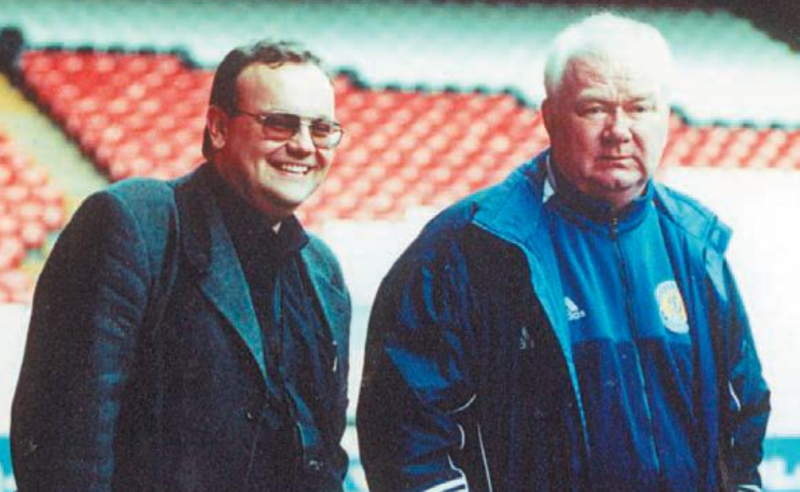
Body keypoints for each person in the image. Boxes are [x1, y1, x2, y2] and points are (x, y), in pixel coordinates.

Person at [357, 13, 770, 492]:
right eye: (594, 109)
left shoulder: (697, 246)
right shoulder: (466, 247)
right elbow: (406, 434)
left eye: (639, 108)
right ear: (549, 117)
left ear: (666, 116)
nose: (619, 130)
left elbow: (744, 420)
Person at [11, 40, 351, 491]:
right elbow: (64, 445)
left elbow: (324, 454)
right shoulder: (134, 223)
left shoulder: (322, 271)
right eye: (280, 124)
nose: (304, 146)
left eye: (322, 129)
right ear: (218, 128)